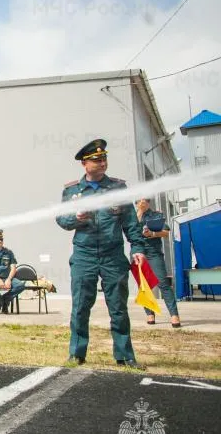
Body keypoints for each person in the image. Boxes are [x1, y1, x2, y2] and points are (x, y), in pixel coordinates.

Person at [56, 139, 147, 370]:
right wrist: (76, 218)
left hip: (113, 256)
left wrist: (137, 248)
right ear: (84, 164)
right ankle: (76, 353)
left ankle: (124, 355)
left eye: (104, 158)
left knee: (118, 307)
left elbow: (130, 222)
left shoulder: (118, 188)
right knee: (80, 306)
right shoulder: (72, 191)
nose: (102, 163)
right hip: (84, 255)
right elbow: (62, 220)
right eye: (96, 160)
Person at [135, 197, 181, 328]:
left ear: (149, 202)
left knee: (163, 283)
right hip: (138, 251)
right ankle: (149, 313)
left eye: (145, 200)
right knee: (144, 285)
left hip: (154, 252)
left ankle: (174, 314)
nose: (143, 202)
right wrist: (140, 212)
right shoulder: (132, 216)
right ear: (136, 203)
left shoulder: (156, 215)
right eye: (140, 201)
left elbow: (165, 232)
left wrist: (152, 234)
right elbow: (131, 230)